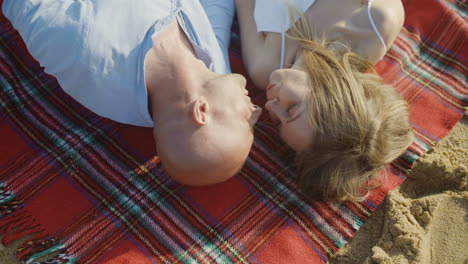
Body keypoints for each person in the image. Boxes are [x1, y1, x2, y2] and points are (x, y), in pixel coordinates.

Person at [3, 0, 262, 186]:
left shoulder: (85, 56)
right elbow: (216, 7)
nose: (256, 111)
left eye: (246, 122)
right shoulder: (215, 69)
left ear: (201, 111)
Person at [236, 0, 413, 201]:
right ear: (331, 94)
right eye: (292, 109)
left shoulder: (264, 67)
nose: (270, 106)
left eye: (277, 122)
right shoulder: (373, 23)